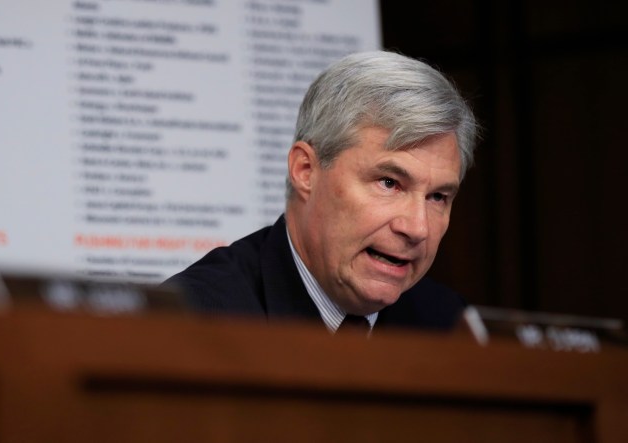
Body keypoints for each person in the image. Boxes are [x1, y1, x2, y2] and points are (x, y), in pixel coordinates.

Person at [163, 50, 478, 333]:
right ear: (306, 171)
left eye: (437, 197)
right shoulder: (194, 319)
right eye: (388, 182)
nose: (417, 228)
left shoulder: (450, 326)